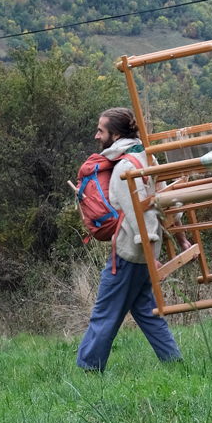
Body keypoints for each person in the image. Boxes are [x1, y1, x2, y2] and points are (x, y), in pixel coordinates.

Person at [76, 107, 183, 372]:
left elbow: (139, 216)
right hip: (144, 252)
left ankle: (89, 368)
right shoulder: (147, 157)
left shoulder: (124, 168)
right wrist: (180, 239)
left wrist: (150, 255)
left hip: (129, 253)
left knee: (105, 312)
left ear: (115, 134)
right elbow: (169, 201)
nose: (97, 136)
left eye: (101, 131)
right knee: (146, 311)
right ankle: (174, 362)